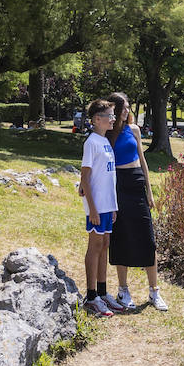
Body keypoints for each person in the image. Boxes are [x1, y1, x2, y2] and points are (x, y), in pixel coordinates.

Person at [105, 92, 169, 312]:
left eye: (128, 107)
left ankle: (154, 291)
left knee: (147, 239)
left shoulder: (134, 130)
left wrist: (149, 192)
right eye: (124, 107)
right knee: (121, 237)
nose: (127, 110)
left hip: (137, 185)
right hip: (118, 186)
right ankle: (123, 290)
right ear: (115, 108)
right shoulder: (107, 133)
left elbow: (142, 160)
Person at [80, 100, 120, 317]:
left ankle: (103, 292)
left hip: (107, 205)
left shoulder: (105, 141)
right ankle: (91, 295)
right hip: (96, 206)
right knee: (95, 246)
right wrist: (93, 209)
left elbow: (107, 177)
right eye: (110, 115)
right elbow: (85, 178)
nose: (113, 119)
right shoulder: (92, 142)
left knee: (104, 244)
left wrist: (112, 207)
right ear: (97, 119)